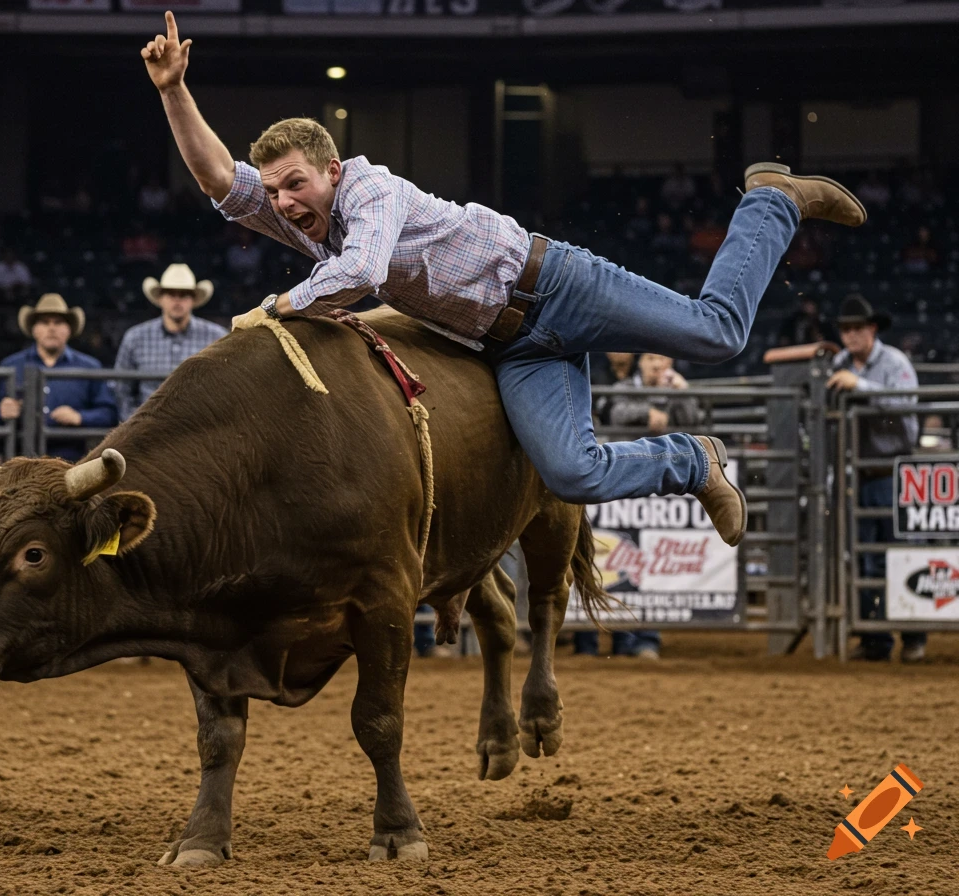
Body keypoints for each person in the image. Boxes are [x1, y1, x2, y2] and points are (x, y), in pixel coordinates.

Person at [141, 11, 866, 548]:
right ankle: (692, 459)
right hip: (512, 343)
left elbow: (361, 270)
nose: (282, 202)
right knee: (571, 476)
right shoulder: (300, 215)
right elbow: (216, 178)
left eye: (293, 184)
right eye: (272, 191)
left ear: (331, 170)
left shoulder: (371, 192)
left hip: (557, 284)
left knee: (716, 332)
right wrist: (174, 90)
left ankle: (772, 197)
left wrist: (273, 308)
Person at [576, 353, 702, 660]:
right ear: (640, 362)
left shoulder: (675, 388)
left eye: (663, 359)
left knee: (637, 567)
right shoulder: (624, 388)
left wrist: (682, 395)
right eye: (651, 359)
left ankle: (641, 639)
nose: (658, 365)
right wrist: (647, 413)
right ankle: (588, 641)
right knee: (601, 560)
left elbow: (695, 421)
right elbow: (615, 413)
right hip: (620, 484)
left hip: (652, 490)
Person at [827, 294, 924, 663]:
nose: (851, 335)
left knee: (903, 555)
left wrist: (860, 387)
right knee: (864, 559)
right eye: (846, 329)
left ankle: (914, 637)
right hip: (859, 472)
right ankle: (875, 638)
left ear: (872, 330)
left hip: (894, 471)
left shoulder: (894, 362)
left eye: (857, 329)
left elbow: (906, 404)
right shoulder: (839, 363)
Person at [0, 293, 119, 462]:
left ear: (69, 329)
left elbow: (108, 413)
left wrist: (80, 417)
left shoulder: (89, 367)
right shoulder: (10, 365)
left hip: (72, 460)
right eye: (44, 322)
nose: (51, 328)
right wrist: (1, 412)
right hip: (21, 460)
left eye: (58, 322)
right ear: (34, 329)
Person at [113, 263, 228, 419]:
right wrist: (134, 423)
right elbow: (121, 389)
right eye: (171, 294)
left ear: (193, 299)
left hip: (199, 425)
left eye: (184, 295)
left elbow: (225, 386)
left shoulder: (217, 337)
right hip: (147, 425)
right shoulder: (135, 337)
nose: (177, 301)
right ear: (160, 298)